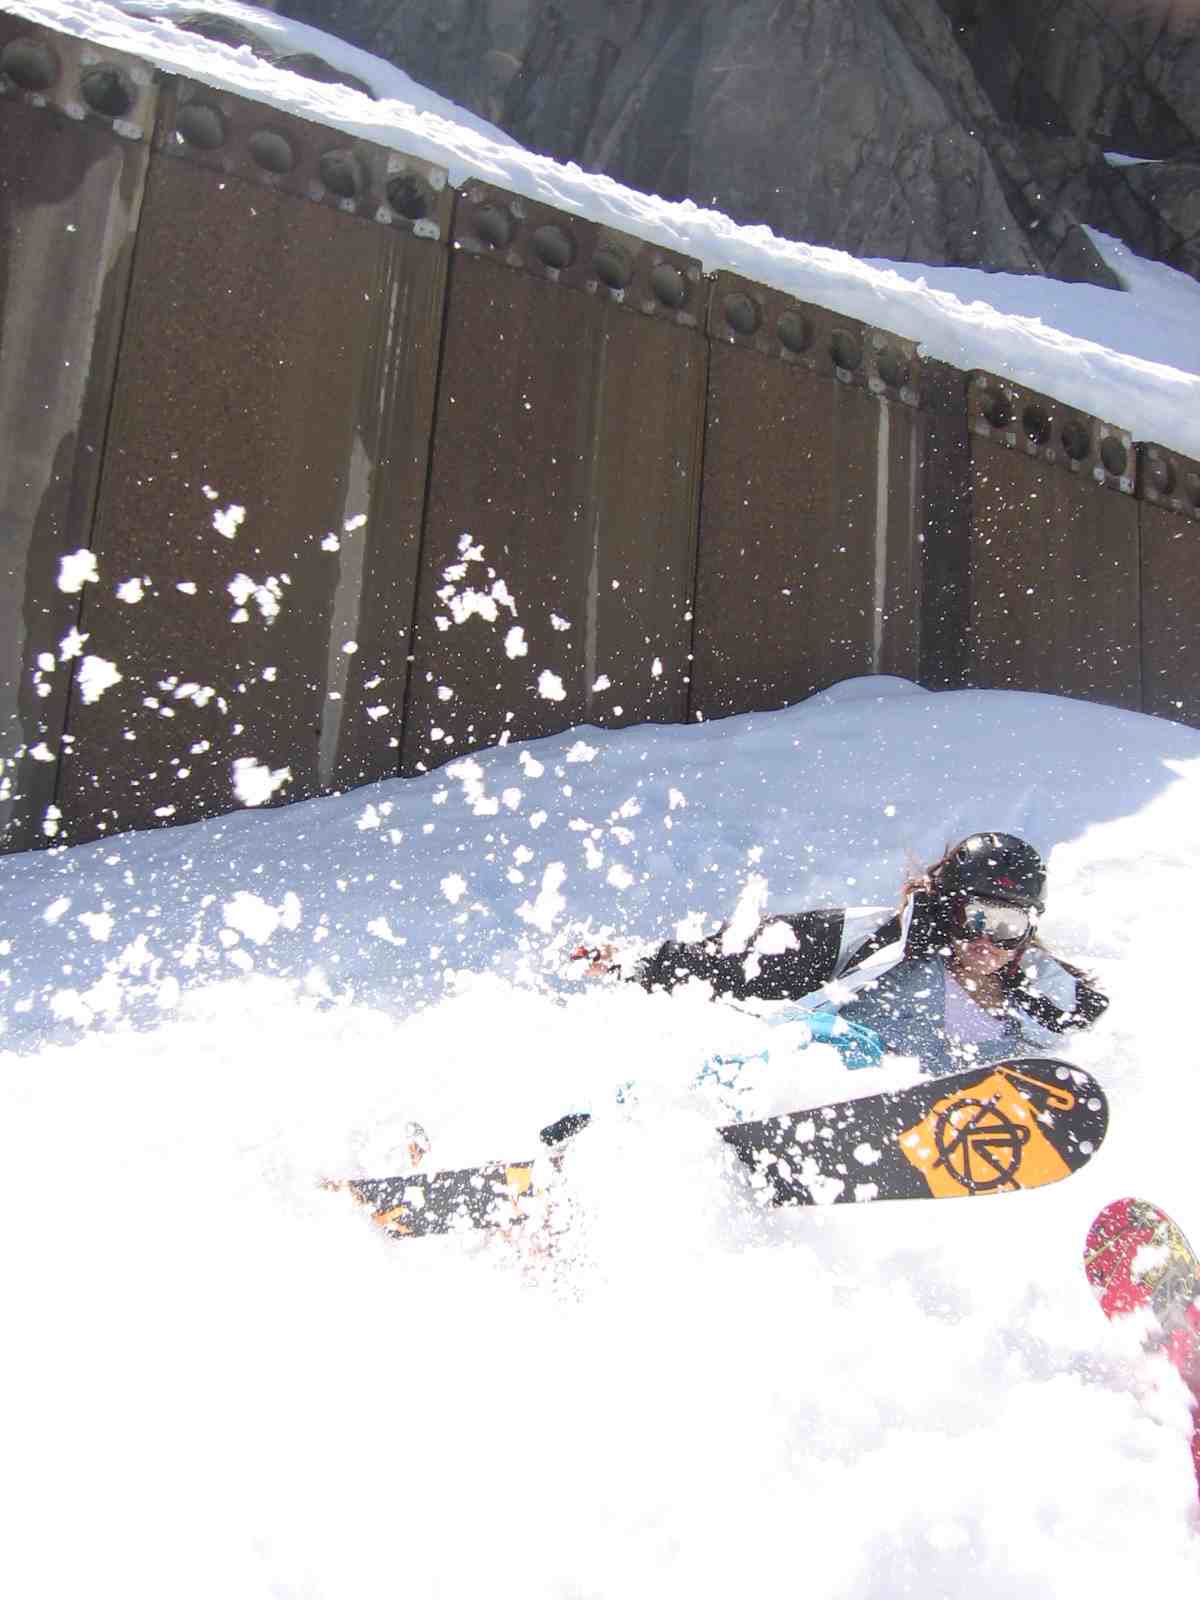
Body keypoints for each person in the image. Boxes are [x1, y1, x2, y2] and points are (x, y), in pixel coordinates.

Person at [580, 832, 1107, 1079]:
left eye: (1008, 925)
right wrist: (643, 961)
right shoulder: (879, 944)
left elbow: (1099, 1042)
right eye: (977, 917)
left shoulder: (1039, 995)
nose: (986, 941)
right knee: (829, 1037)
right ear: (950, 909)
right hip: (816, 1089)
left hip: (956, 1149)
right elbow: (748, 955)